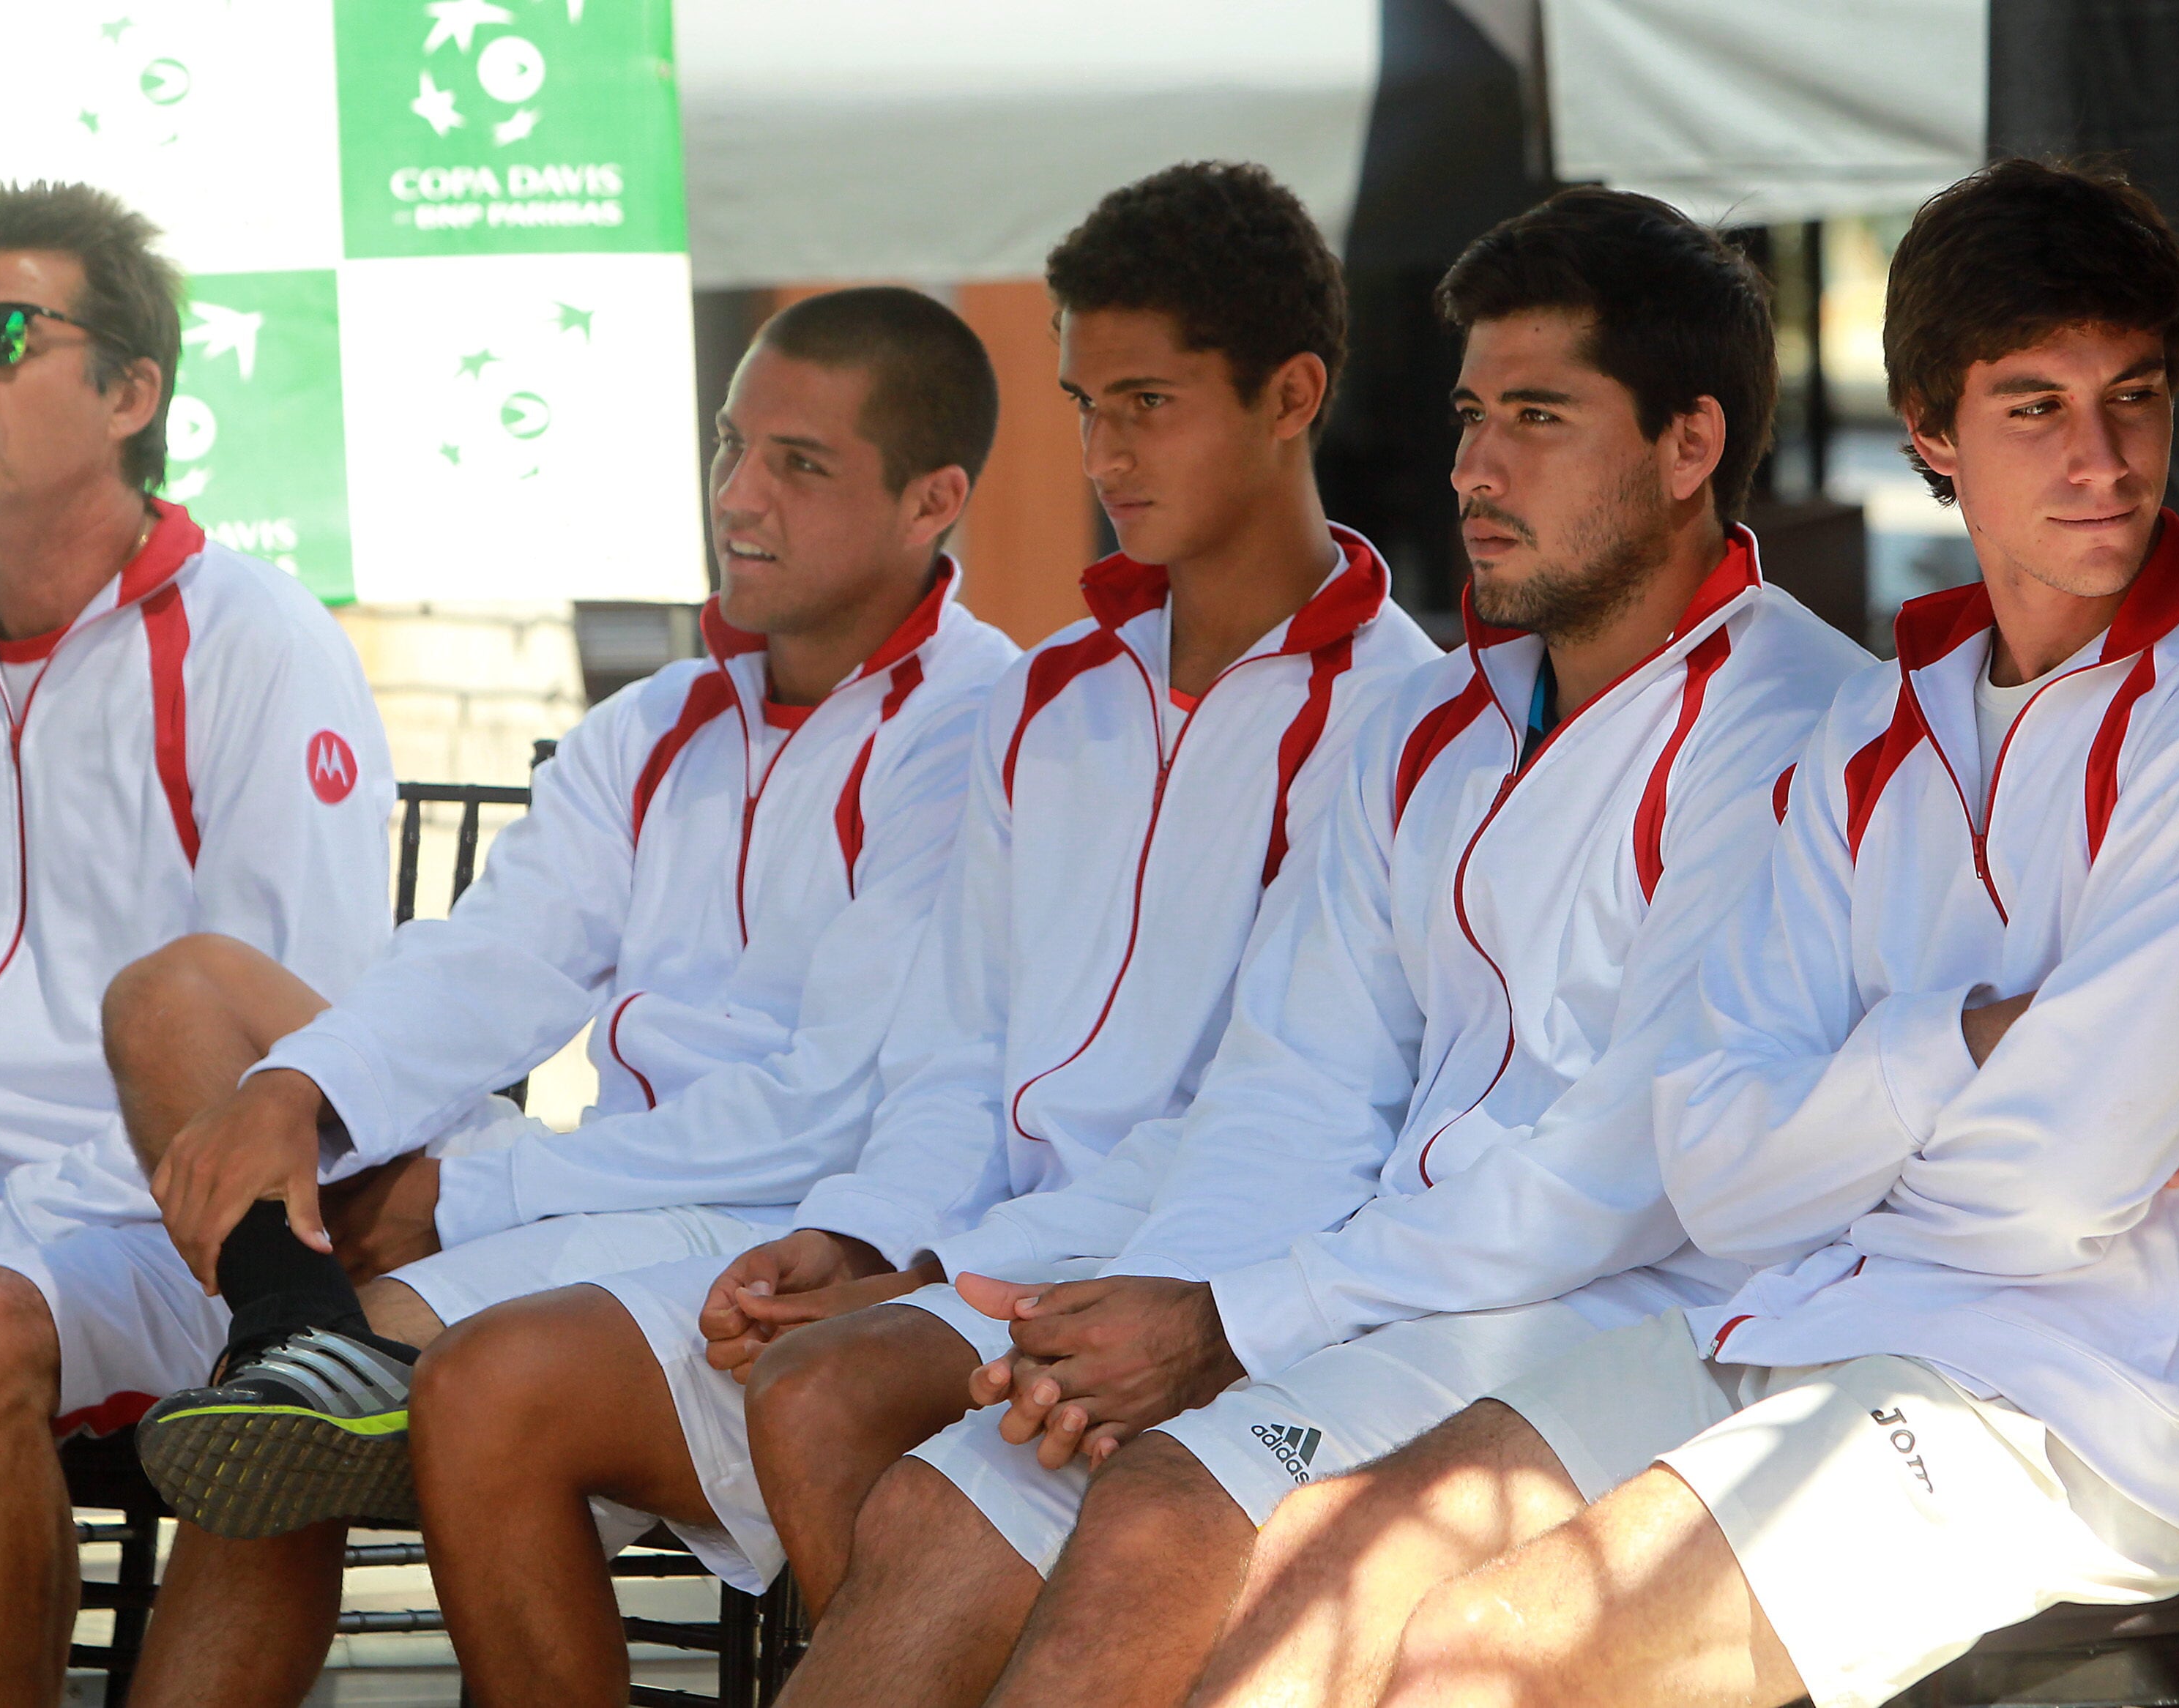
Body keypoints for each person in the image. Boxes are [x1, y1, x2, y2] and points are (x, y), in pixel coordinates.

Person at [1206, 157, 2179, 1708]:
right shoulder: (1880, 722)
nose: (2102, 461)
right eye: (2035, 407)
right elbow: (1720, 1170)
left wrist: (1869, 1127)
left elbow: (2052, 1190)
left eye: (2132, 399)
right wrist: (1982, 1045)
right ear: (1930, 431)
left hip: (2087, 1411)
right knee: (1313, 1577)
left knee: (1490, 1656)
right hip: (1805, 1316)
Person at [767, 187, 1883, 1708]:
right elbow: (1294, 1078)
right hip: (1365, 1283)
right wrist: (1162, 1308)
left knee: (1160, 1516)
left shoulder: (1802, 724)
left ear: (1690, 445)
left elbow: (1626, 1171)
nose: (1474, 468)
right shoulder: (1431, 721)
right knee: (938, 1509)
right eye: (1471, 415)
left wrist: (1236, 1320)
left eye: (1538, 419)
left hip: (1634, 1317)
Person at [404, 160, 1437, 1707]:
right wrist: (866, 1236)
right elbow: (956, 1044)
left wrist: (942, 1273)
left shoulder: (1399, 720)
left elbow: (1272, 1114)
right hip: (974, 1257)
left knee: (820, 1392)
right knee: (496, 1386)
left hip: (1185, 1279)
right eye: (1085, 404)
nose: (1103, 452)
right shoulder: (1052, 694)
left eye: (1147, 404)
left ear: (1292, 396)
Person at [109, 286, 1019, 1704]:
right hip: (603, 1198)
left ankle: (311, 1345)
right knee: (179, 1007)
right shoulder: (653, 722)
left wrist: (473, 1195)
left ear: (933, 502)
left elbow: (835, 1111)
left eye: (798, 464)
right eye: (729, 447)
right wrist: (303, 1094)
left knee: (290, 1424)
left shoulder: (984, 727)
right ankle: (297, 1328)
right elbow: (493, 961)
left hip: (805, 1242)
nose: (738, 497)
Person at [0, 181, 395, 1707]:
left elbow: (288, 1053)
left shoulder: (256, 641)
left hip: (191, 1223)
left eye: (1, 334)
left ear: (133, 394)